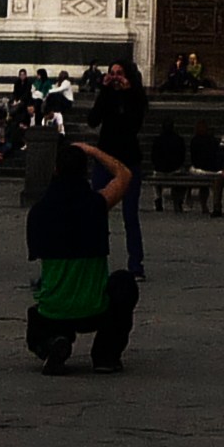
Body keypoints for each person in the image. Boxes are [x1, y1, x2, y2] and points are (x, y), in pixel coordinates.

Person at [26, 128, 140, 374]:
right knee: (124, 282)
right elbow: (124, 175)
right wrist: (93, 151)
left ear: (55, 171)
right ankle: (105, 355)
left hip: (54, 310)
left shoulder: (39, 212)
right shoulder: (96, 205)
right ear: (84, 172)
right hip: (94, 308)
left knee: (36, 317)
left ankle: (52, 342)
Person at [95, 56, 149, 283]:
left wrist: (128, 94)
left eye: (120, 73)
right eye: (112, 73)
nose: (115, 77)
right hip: (105, 159)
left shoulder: (137, 98)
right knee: (97, 211)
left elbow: (133, 124)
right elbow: (92, 120)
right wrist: (105, 92)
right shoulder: (107, 96)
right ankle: (96, 261)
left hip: (128, 161)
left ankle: (136, 264)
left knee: (130, 215)